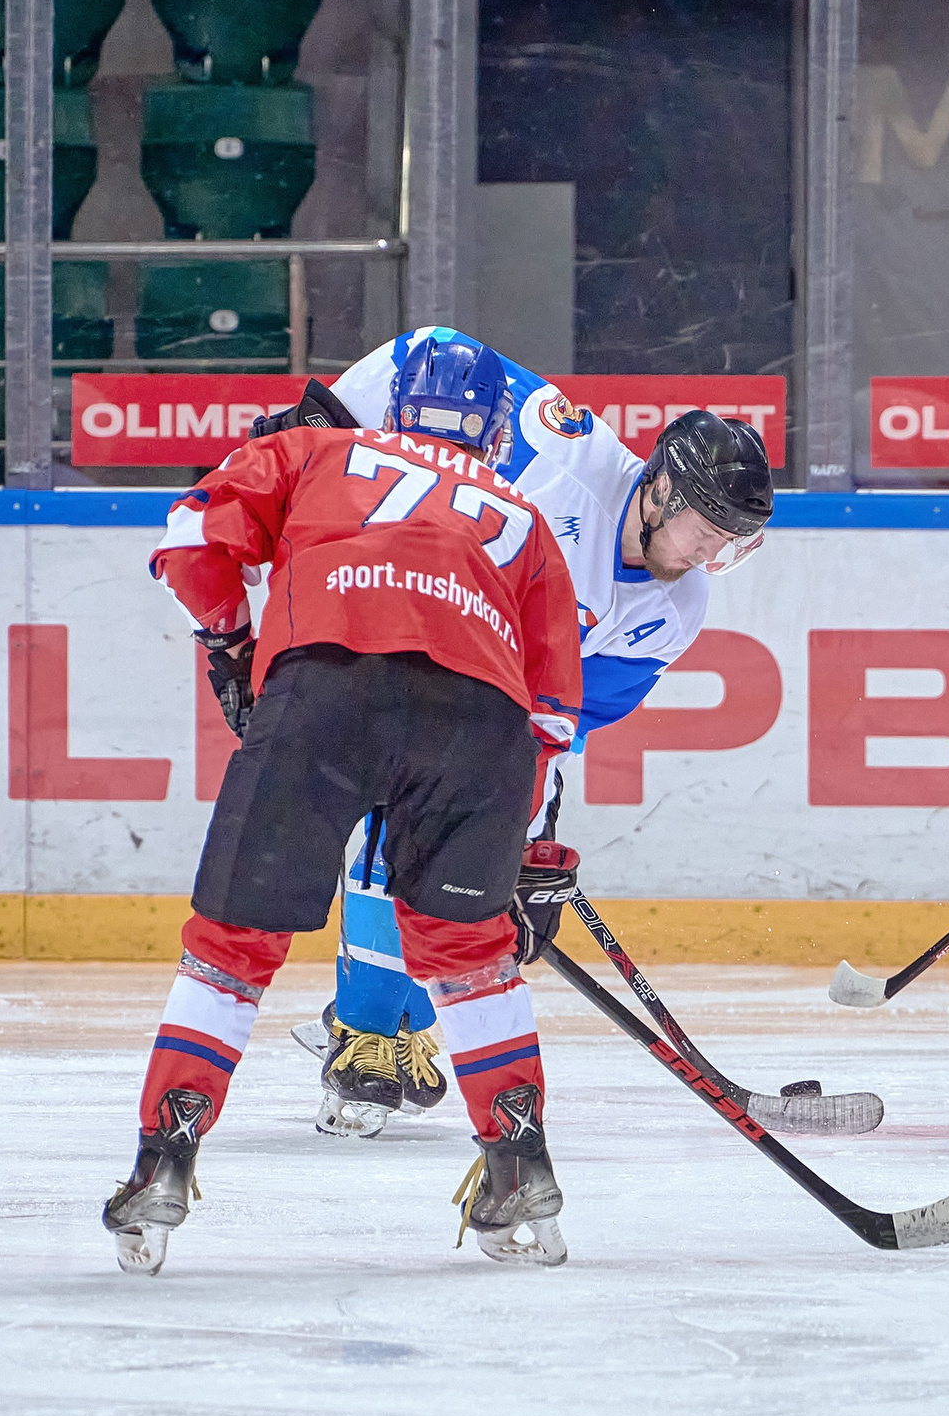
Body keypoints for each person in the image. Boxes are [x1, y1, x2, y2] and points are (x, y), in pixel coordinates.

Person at [98, 333, 585, 1274]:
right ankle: (519, 1163)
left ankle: (165, 1160)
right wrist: (524, 848)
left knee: (235, 947)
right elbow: (554, 714)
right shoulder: (524, 517)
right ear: (491, 431)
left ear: (396, 404)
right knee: (471, 961)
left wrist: (231, 643)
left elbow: (193, 539)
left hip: (327, 685)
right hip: (480, 726)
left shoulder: (314, 449)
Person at [287, 328, 775, 1138]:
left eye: (729, 542)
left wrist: (532, 839)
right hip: (408, 609)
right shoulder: (565, 461)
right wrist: (331, 414)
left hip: (498, 685)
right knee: (400, 801)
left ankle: (391, 1017)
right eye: (706, 529)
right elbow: (437, 345)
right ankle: (364, 1036)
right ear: (658, 492)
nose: (710, 551)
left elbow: (564, 722)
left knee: (470, 846)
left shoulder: (677, 611)